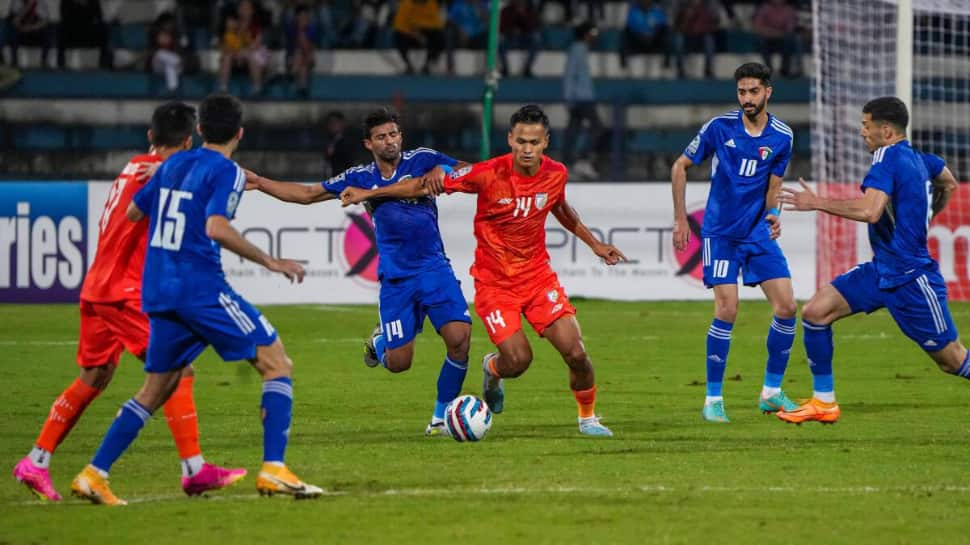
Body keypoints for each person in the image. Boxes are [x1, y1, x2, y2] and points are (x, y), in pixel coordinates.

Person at [70, 94, 321, 505]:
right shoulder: (227, 171)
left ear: (199, 130)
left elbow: (133, 214)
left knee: (155, 390)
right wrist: (270, 261)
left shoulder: (170, 166)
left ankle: (94, 474)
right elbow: (218, 227)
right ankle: (274, 468)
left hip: (157, 291)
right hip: (200, 289)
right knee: (277, 362)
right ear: (240, 133)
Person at [341, 105, 627, 437]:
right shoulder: (487, 173)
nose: (527, 149)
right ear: (510, 139)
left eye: (534, 142)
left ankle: (587, 418)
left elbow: (559, 205)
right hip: (495, 286)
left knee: (576, 352)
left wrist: (594, 243)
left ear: (546, 142)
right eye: (520, 141)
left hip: (537, 279)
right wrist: (373, 193)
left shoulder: (556, 173)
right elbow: (421, 187)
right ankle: (492, 368)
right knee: (518, 361)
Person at [12, 102, 246, 502]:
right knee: (178, 371)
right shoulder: (166, 173)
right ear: (189, 140)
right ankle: (194, 469)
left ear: (150, 137)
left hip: (97, 286)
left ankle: (36, 461)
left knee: (96, 376)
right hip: (123, 291)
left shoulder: (134, 166)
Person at [246, 107, 473, 437]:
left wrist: (443, 166)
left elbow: (468, 171)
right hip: (397, 279)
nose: (390, 141)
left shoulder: (423, 158)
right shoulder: (359, 177)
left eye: (394, 134)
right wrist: (261, 182)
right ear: (369, 144)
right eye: (381, 137)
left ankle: (440, 418)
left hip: (434, 267)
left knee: (459, 340)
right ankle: (381, 342)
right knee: (399, 363)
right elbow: (308, 194)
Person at [776, 96, 964, 424]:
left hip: (911, 279)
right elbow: (947, 181)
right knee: (816, 311)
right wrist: (922, 218)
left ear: (887, 131)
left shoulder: (886, 158)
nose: (862, 132)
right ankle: (824, 403)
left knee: (953, 361)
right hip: (882, 270)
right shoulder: (922, 159)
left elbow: (869, 210)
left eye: (867, 126)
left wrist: (817, 202)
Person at [670, 62, 798, 423]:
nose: (747, 98)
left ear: (767, 92)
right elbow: (679, 166)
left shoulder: (782, 136)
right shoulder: (719, 127)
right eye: (742, 92)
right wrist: (681, 218)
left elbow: (774, 183)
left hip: (757, 232)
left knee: (787, 307)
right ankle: (713, 399)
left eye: (753, 91)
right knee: (727, 309)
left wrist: (775, 213)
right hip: (720, 234)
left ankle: (771, 393)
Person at [562, 21, 604, 180]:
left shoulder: (581, 50)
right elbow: (570, 75)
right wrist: (569, 98)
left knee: (573, 129)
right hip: (581, 98)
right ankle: (582, 160)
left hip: (582, 97)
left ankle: (569, 163)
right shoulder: (578, 49)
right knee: (597, 127)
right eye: (591, 34)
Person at [392, 0, 446, 75]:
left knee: (439, 37)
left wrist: (424, 36)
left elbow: (436, 25)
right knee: (398, 35)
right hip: (410, 34)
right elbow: (400, 26)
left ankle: (427, 65)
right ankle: (408, 65)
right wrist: (417, 35)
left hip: (424, 32)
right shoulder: (406, 4)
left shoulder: (431, 3)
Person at [752, 0, 802, 78]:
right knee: (760, 40)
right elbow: (758, 28)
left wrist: (772, 32)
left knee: (791, 40)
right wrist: (775, 33)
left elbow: (789, 30)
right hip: (767, 39)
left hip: (782, 40)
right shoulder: (764, 8)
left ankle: (785, 69)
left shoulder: (789, 10)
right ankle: (769, 69)